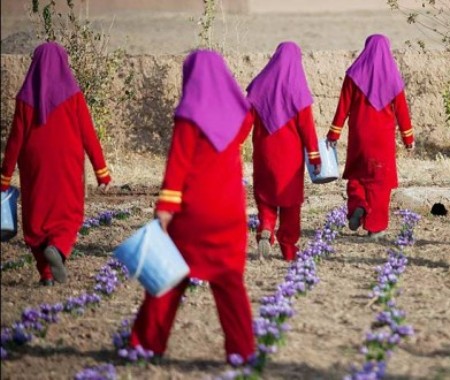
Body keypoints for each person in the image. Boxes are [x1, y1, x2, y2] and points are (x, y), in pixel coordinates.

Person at [129, 50, 255, 362]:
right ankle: (242, 349)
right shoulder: (238, 114)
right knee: (230, 284)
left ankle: (147, 343)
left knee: (168, 279)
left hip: (193, 211)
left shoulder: (190, 114)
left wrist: (164, 209)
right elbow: (246, 120)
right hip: (230, 211)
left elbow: (178, 165)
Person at [0, 42, 111, 286]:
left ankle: (46, 274)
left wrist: (5, 176)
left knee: (37, 217)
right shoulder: (73, 96)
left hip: (34, 166)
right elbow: (88, 135)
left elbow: (15, 140)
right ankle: (58, 248)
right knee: (68, 213)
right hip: (66, 164)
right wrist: (101, 172)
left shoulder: (24, 98)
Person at [326, 34, 414, 239]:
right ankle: (375, 227)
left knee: (357, 175)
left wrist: (334, 133)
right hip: (382, 138)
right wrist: (408, 138)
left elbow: (343, 108)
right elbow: (402, 111)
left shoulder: (354, 74)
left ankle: (357, 204)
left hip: (359, 136)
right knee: (380, 182)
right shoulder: (392, 77)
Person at [247, 41, 321, 261]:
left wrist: (233, 145)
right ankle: (288, 247)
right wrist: (314, 155)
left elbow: (245, 120)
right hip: (290, 158)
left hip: (264, 153)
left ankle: (266, 228)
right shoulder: (298, 90)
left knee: (265, 194)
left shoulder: (259, 86)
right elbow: (307, 128)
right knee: (290, 202)